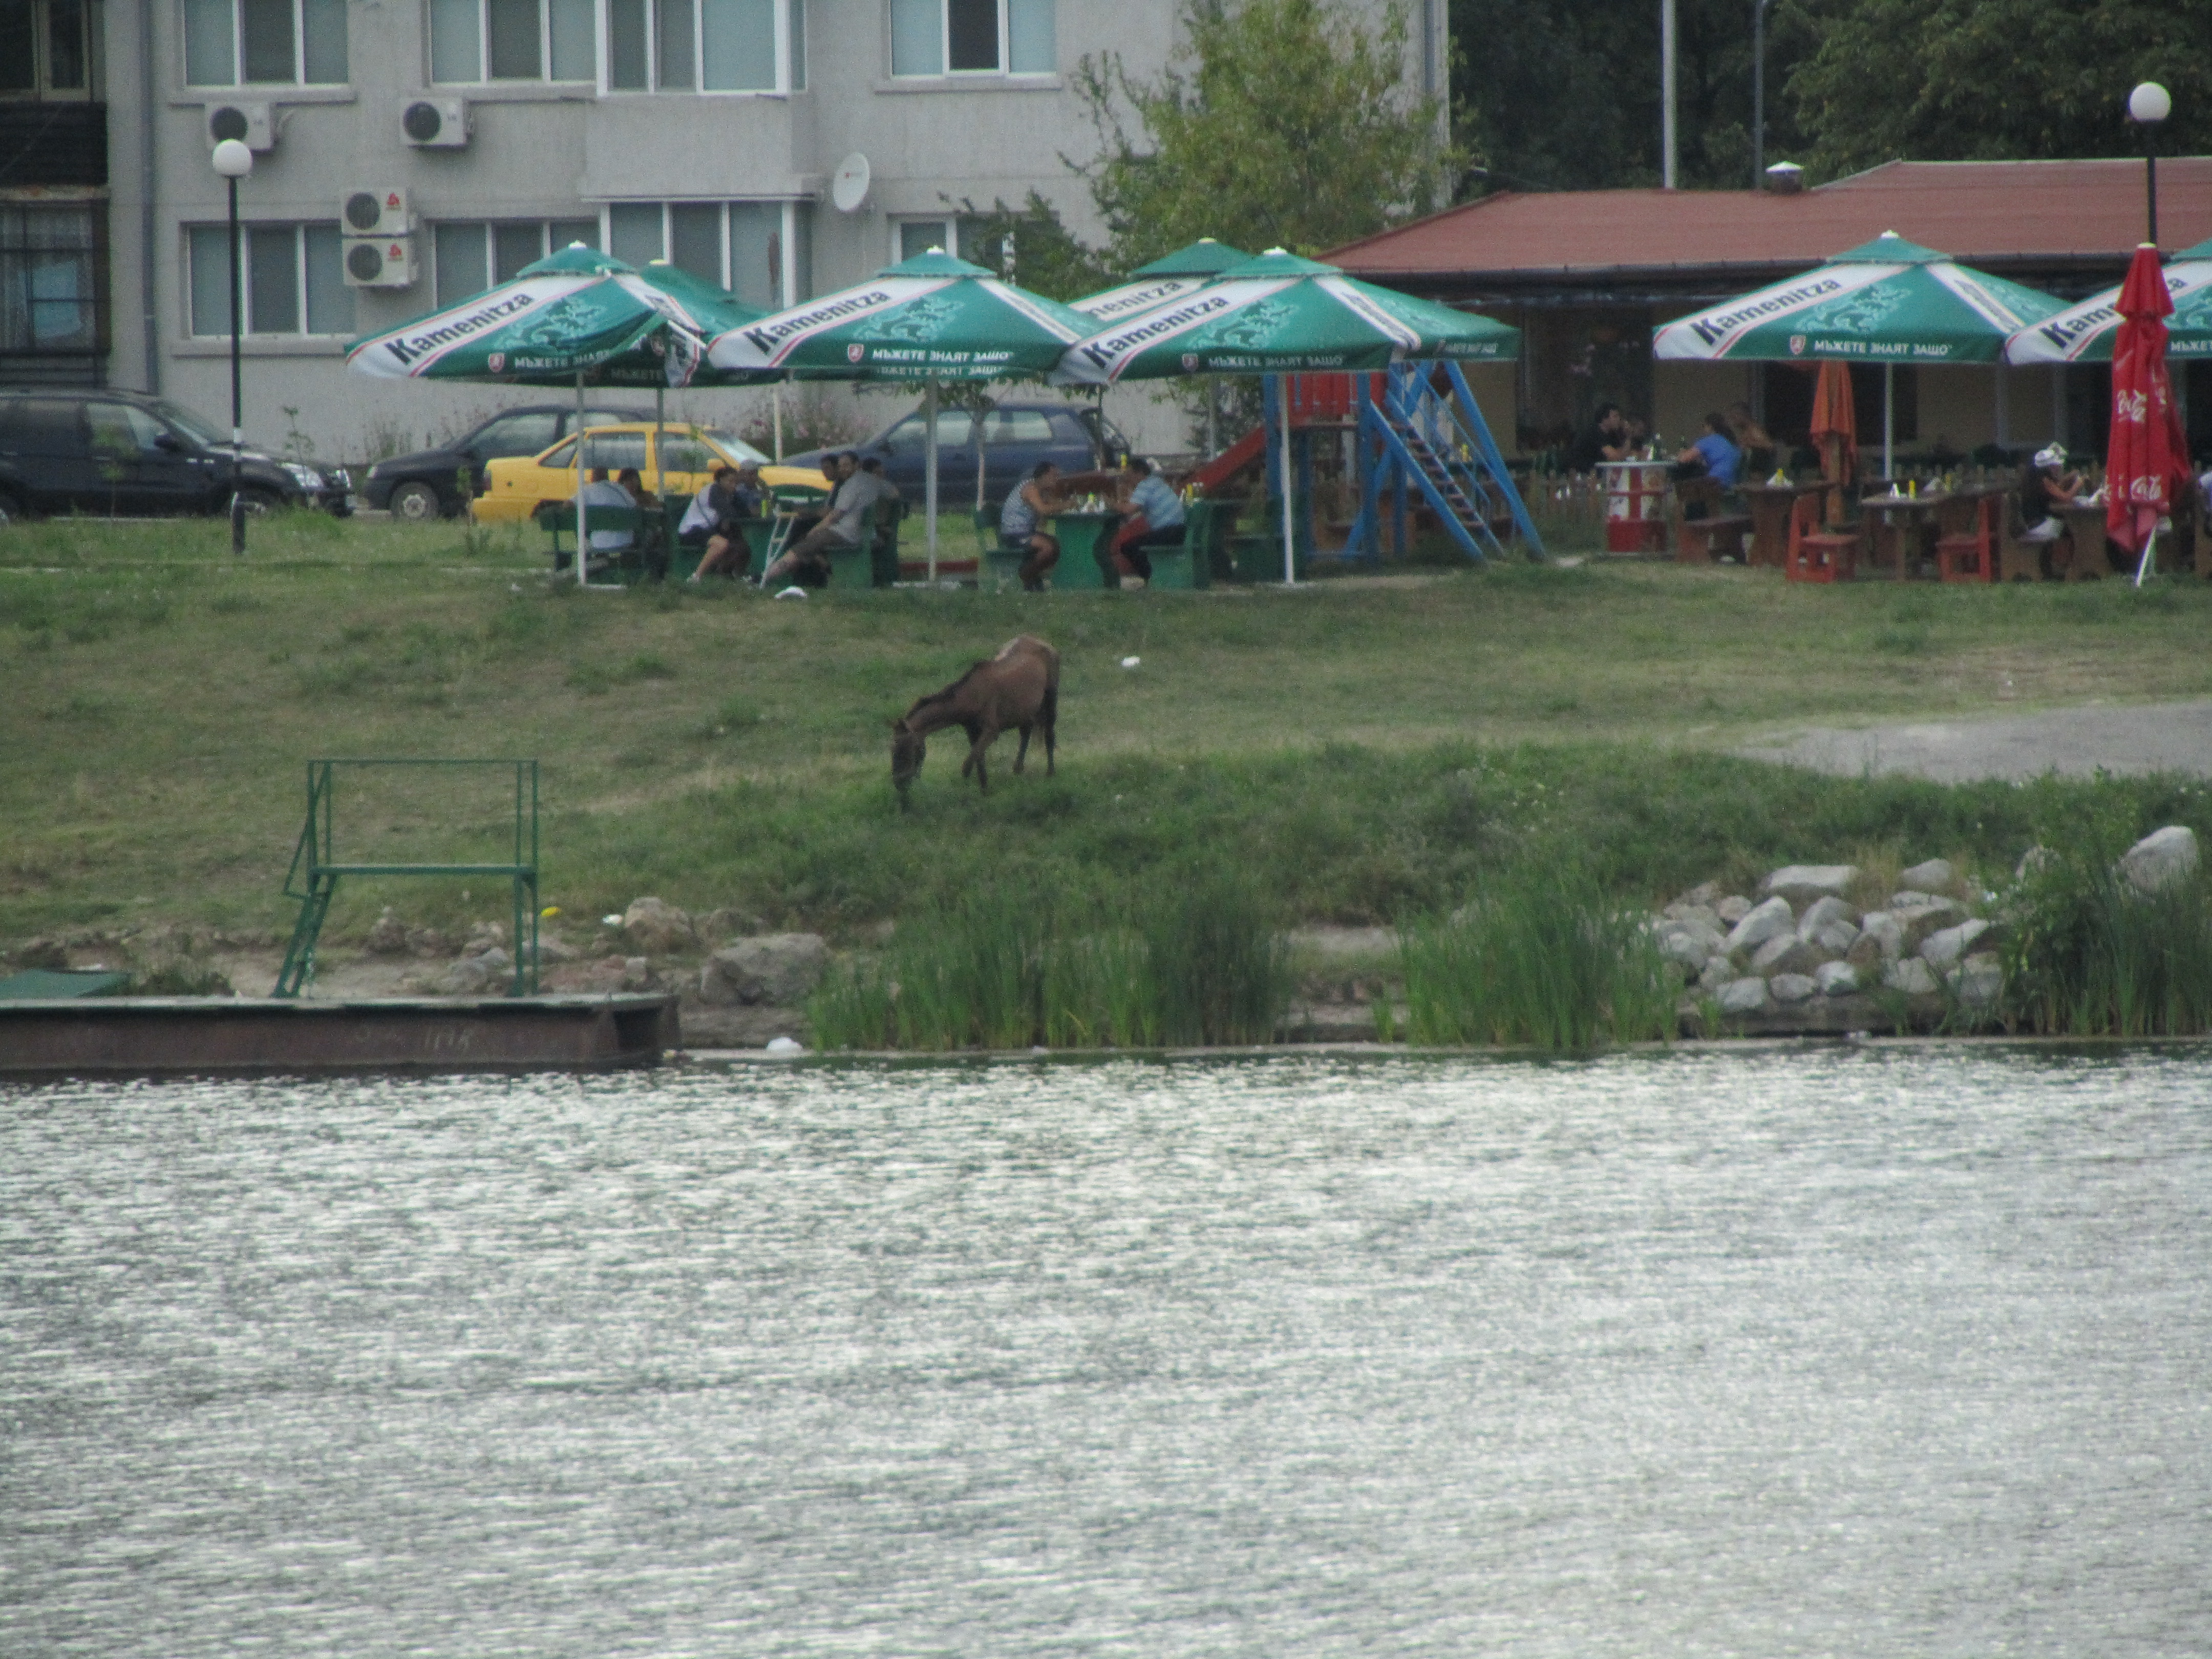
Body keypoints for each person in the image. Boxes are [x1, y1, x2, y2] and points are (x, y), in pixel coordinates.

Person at [760, 452, 896, 587]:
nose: (843, 469)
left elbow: (833, 517)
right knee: (811, 545)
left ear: (857, 465)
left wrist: (814, 530)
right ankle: (823, 572)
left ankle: (766, 578)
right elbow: (894, 493)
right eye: (841, 466)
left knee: (804, 545)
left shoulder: (851, 486)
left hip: (848, 534)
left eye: (847, 465)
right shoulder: (872, 480)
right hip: (868, 534)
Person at [1109, 456, 1185, 586]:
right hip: (1179, 529)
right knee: (1136, 544)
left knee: (1129, 547)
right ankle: (1151, 578)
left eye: (1129, 475)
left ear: (1138, 473)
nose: (1128, 479)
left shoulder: (1145, 486)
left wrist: (1110, 504)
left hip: (1169, 532)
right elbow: (1133, 506)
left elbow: (1128, 510)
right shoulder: (1156, 482)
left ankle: (1151, 578)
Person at [682, 464, 760, 583]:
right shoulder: (713, 490)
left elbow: (744, 512)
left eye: (736, 482)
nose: (734, 485)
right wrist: (728, 518)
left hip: (710, 530)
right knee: (721, 544)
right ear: (720, 480)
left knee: (742, 545)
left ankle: (735, 574)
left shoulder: (732, 494)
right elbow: (727, 511)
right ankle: (696, 577)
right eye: (730, 481)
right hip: (693, 530)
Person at [1001, 460, 1065, 591]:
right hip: (1014, 534)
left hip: (1026, 531)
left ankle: (1033, 577)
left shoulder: (1043, 491)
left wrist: (1061, 501)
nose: (1056, 480)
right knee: (1048, 548)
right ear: (1043, 477)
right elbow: (1043, 510)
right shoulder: (1031, 489)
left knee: (1056, 545)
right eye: (1054, 476)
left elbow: (1051, 506)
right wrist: (1066, 505)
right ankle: (1024, 576)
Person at [2017, 444, 2082, 550]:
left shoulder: (2034, 478)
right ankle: (2069, 558)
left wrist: (2068, 478)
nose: (2057, 468)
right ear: (2047, 467)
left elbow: (2056, 488)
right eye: (2054, 466)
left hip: (2034, 523)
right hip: (2041, 526)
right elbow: (2067, 498)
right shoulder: (2044, 480)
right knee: (2074, 528)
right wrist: (2079, 484)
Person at [575, 466, 635, 565]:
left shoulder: (588, 490)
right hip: (627, 540)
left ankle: (590, 564)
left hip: (599, 543)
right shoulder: (619, 488)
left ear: (593, 476)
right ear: (607, 475)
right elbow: (634, 505)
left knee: (583, 532)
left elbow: (568, 505)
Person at [1674, 411, 1742, 489]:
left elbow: (1683, 459)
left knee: (1684, 477)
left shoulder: (1709, 440)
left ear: (1709, 426)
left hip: (1716, 481)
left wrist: (1682, 453)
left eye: (1704, 426)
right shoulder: (1730, 440)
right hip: (1731, 481)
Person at [1565, 402, 1632, 473]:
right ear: (1605, 419)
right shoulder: (1594, 432)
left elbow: (1623, 456)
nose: (1619, 419)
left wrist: (1628, 437)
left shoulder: (1612, 434)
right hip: (1583, 473)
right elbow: (1614, 458)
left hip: (1598, 471)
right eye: (1615, 416)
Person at [1726, 402, 1776, 477]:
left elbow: (1770, 446)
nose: (1733, 422)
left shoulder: (1753, 430)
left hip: (1758, 472)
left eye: (1734, 418)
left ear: (1742, 416)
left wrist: (1748, 443)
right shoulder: (1744, 431)